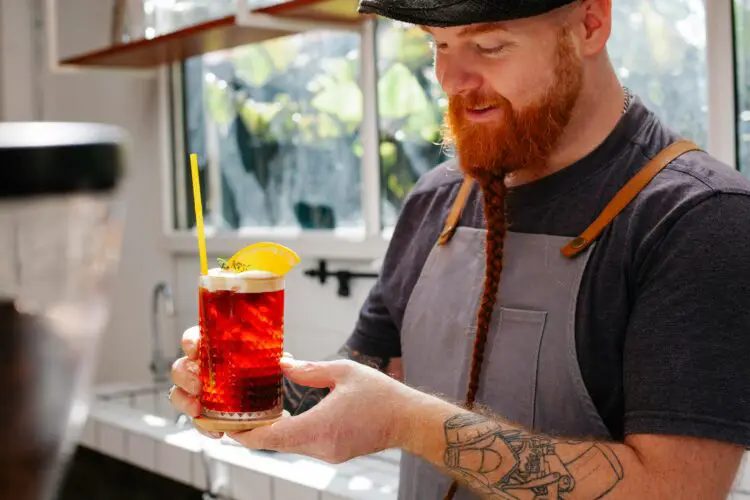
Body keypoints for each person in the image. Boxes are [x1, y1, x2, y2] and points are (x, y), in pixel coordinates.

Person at [169, 0, 750, 498]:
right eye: (438, 45)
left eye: (489, 46)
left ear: (591, 25)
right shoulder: (438, 199)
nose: (450, 78)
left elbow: (676, 489)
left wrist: (406, 421)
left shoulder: (696, 217)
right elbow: (351, 383)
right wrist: (246, 386)